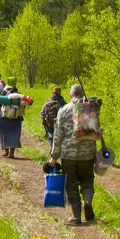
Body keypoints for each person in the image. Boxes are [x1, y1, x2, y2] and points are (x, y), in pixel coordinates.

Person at [48, 84, 98, 225]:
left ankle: (76, 217)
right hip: (87, 154)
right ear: (82, 95)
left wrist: (54, 156)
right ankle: (87, 202)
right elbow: (94, 132)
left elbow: (58, 135)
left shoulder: (64, 110)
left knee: (71, 183)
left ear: (70, 95)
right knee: (87, 180)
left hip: (68, 154)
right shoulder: (90, 109)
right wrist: (95, 153)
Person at [0, 78, 27, 158]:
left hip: (4, 117)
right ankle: (12, 153)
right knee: (15, 135)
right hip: (17, 118)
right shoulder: (19, 94)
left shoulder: (4, 92)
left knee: (3, 133)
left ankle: (6, 151)